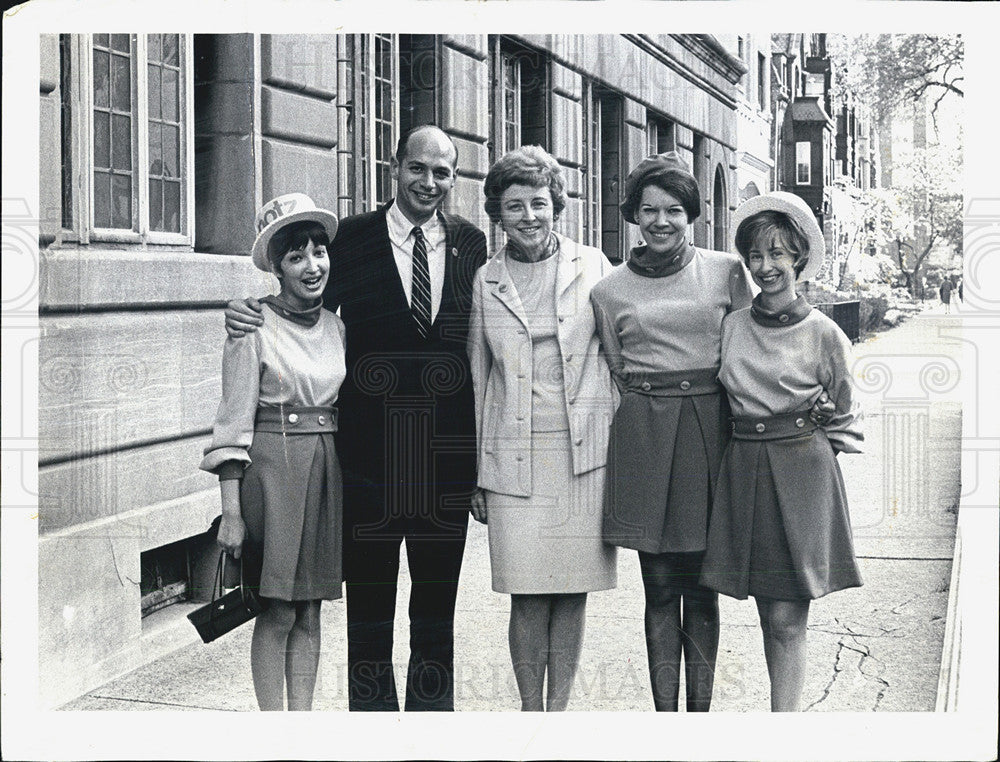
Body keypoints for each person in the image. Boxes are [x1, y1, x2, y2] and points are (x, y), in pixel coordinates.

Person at [225, 125, 487, 711]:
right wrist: (247, 307)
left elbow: (482, 349)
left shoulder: (472, 245)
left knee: (435, 615)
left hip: (445, 462)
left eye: (442, 172)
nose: (429, 182)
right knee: (369, 616)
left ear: (454, 177)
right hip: (364, 462)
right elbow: (301, 299)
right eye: (418, 168)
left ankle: (427, 736)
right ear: (395, 167)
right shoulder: (352, 240)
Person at [589, 152, 754, 712]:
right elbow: (616, 366)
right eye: (649, 209)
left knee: (703, 589)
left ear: (693, 216)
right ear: (633, 214)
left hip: (712, 430)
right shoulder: (608, 291)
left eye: (675, 210)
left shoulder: (727, 271)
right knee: (659, 587)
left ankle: (699, 719)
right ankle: (665, 721)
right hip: (645, 435)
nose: (661, 221)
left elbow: (751, 348)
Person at [700, 191, 864, 712]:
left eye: (777, 254)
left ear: (798, 258)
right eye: (756, 256)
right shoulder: (732, 326)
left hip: (802, 473)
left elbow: (844, 413)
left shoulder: (825, 333)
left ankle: (785, 729)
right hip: (743, 467)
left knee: (789, 616)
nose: (766, 267)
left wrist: (810, 450)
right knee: (767, 613)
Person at [467, 146, 617, 711]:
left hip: (584, 455)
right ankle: (530, 712)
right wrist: (478, 475)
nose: (529, 215)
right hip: (513, 460)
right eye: (514, 206)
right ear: (497, 214)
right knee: (526, 596)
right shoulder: (486, 280)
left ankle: (559, 716)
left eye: (539, 202)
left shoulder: (594, 265)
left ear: (556, 205)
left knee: (572, 593)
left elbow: (619, 356)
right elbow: (480, 378)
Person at [202, 194, 345, 711]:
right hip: (272, 473)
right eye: (296, 256)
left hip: (325, 469)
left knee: (310, 610)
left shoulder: (337, 326)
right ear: (278, 268)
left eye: (319, 252)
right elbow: (233, 422)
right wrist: (231, 514)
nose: (313, 265)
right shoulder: (251, 326)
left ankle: (301, 726)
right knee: (277, 610)